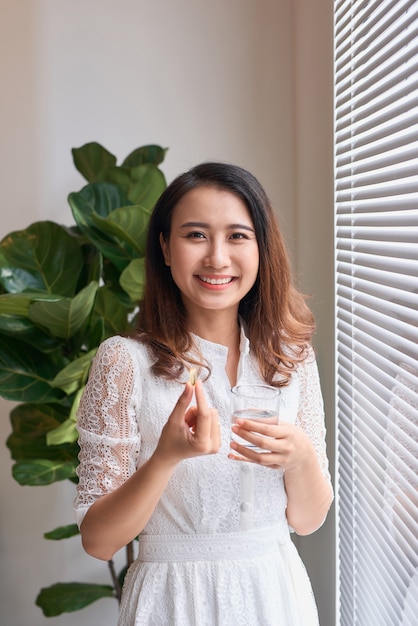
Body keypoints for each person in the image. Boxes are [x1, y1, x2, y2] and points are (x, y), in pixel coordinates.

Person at [74, 162, 333, 626]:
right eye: (196, 235)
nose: (217, 258)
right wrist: (166, 457)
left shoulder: (290, 356)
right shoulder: (124, 362)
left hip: (276, 597)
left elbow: (308, 520)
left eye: (238, 236)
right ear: (165, 249)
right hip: (173, 601)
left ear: (262, 249)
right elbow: (99, 541)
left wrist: (302, 458)